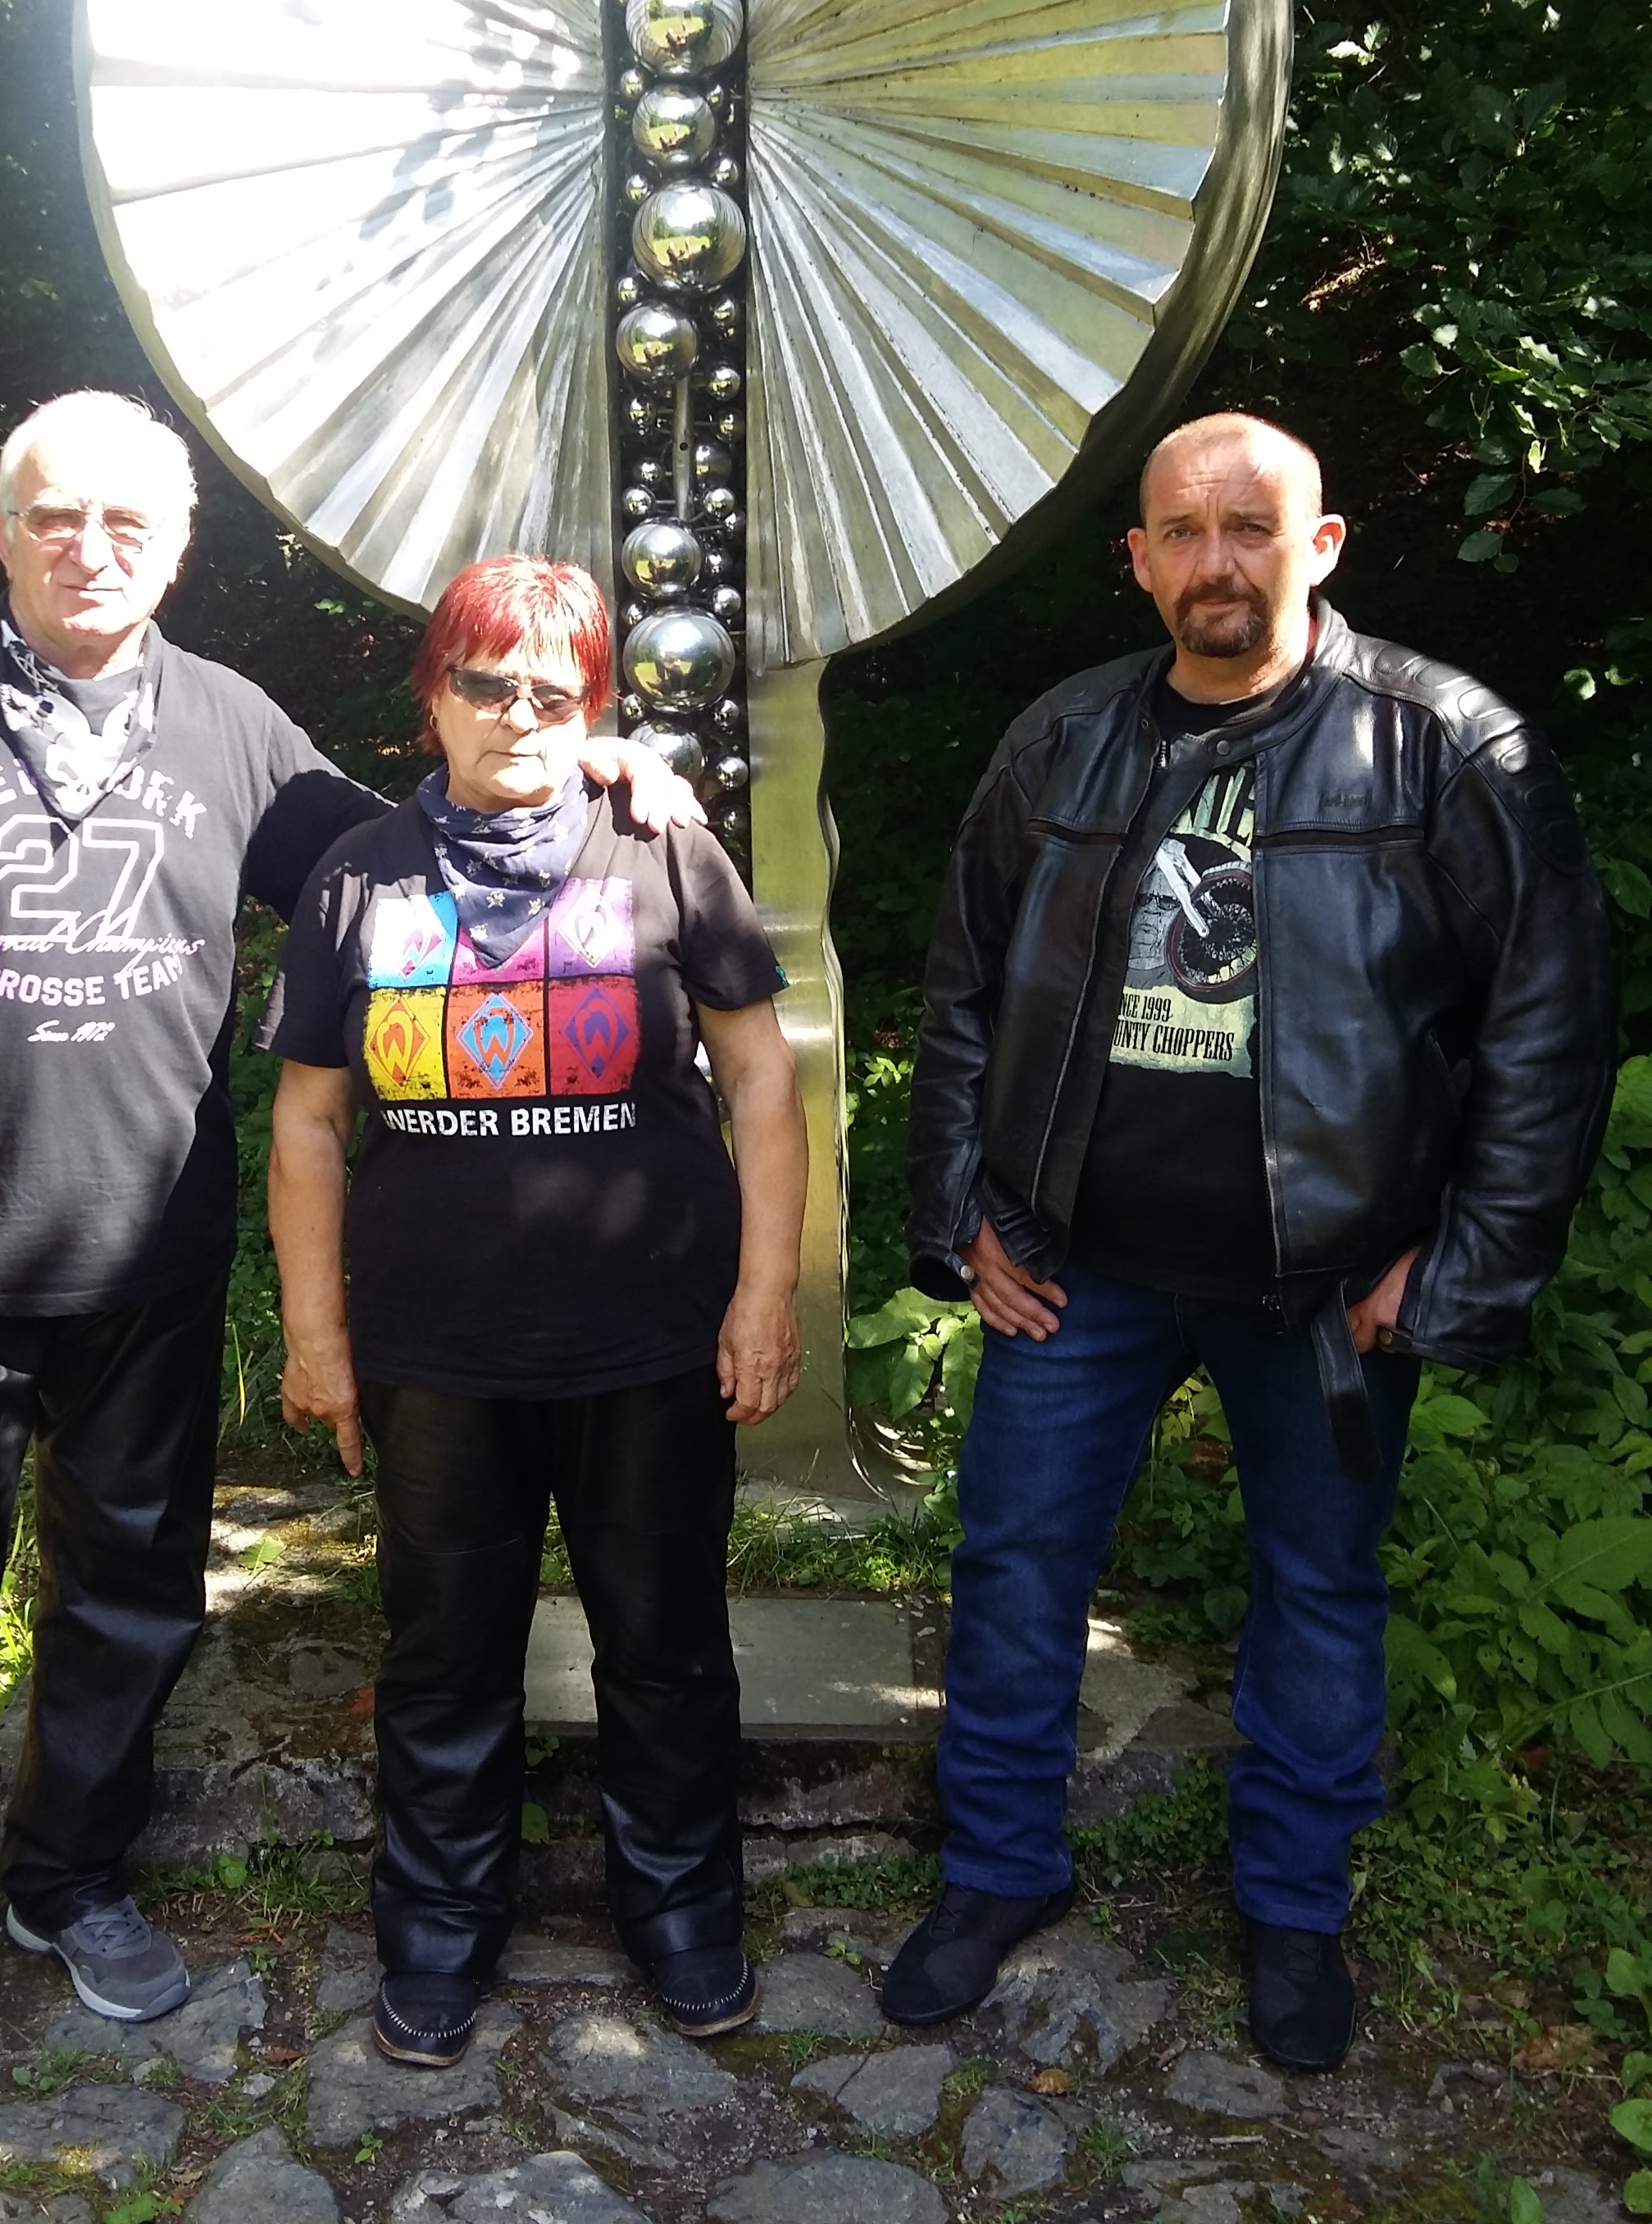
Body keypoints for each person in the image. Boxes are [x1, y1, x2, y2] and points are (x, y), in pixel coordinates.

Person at [0, 395, 695, 2158]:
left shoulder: (231, 727)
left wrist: (594, 760)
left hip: (153, 1257)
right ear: (0, 530)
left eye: (128, 520)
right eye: (54, 515)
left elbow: (426, 839)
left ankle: (72, 1881)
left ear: (178, 547)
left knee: (129, 1601)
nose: (89, 546)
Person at [886, 411, 1613, 2068]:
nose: (1217, 562)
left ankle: (1292, 1908)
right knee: (1012, 1567)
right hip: (1077, 1265)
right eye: (1184, 531)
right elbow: (964, 989)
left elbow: (1548, 1030)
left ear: (1321, 544)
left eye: (1251, 527)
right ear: (1138, 560)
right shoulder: (1061, 740)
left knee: (1318, 1584)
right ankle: (997, 1869)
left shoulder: (1445, 751)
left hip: (1325, 1285)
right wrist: (963, 1213)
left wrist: (1460, 1264)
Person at [263, 553, 807, 2060]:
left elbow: (761, 1080)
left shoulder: (663, 849)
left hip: (648, 1337)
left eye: (553, 692)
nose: (516, 713)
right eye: (485, 683)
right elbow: (307, 1122)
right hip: (438, 1349)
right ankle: (439, 1927)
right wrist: (316, 1337)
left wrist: (764, 1294)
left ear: (595, 707)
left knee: (665, 1643)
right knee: (444, 1651)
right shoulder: (359, 875)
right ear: (432, 695)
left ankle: (681, 1911)